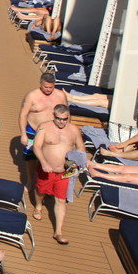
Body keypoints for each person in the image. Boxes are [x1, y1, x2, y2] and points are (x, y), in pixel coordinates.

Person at [32, 104, 85, 245]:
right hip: (47, 169)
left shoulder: (74, 130)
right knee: (41, 191)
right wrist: (43, 162)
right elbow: (36, 146)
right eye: (59, 119)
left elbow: (81, 149)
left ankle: (58, 232)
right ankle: (38, 206)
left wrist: (78, 163)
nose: (62, 122)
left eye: (65, 119)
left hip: (65, 171)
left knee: (61, 200)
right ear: (53, 116)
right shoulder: (44, 127)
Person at [19, 72, 68, 215]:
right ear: (40, 83)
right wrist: (23, 133)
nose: (48, 89)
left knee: (50, 158)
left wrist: (66, 132)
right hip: (33, 130)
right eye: (46, 87)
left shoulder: (60, 96)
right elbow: (23, 114)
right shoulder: (32, 96)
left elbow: (66, 113)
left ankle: (46, 187)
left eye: (51, 87)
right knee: (30, 157)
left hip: (53, 131)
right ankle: (30, 180)